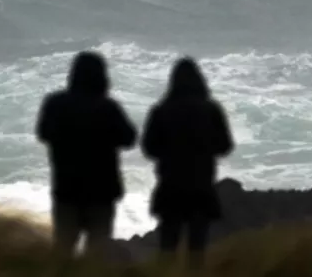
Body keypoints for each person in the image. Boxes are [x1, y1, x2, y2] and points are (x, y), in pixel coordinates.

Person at [35, 50, 137, 256]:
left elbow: (43, 134)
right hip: (102, 190)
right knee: (98, 250)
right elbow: (129, 139)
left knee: (63, 247)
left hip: (66, 188)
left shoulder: (55, 104)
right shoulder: (108, 107)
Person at [141, 57, 235, 267]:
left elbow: (149, 148)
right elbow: (225, 146)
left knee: (167, 248)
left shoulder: (160, 111)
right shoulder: (211, 110)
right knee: (197, 249)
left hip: (170, 186)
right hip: (200, 187)